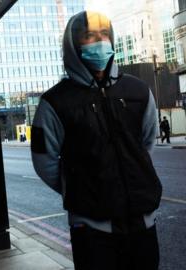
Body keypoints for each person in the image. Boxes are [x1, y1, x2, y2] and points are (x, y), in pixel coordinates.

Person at [31, 11, 162, 270]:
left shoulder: (138, 91)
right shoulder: (54, 102)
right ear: (74, 44)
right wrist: (80, 187)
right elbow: (44, 160)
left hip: (142, 221)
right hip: (92, 229)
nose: (99, 41)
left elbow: (146, 144)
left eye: (104, 34)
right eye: (89, 35)